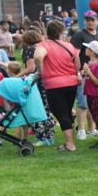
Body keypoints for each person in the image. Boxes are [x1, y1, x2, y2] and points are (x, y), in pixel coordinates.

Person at [34, 20, 81, 151]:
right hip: (71, 83)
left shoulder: (43, 45)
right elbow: (77, 64)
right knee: (67, 112)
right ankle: (70, 140)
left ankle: (70, 145)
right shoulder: (69, 46)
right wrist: (75, 73)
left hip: (54, 84)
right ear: (60, 32)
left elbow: (38, 57)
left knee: (60, 114)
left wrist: (40, 72)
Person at [71, 11, 98, 139]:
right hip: (83, 73)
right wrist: (77, 72)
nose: (90, 22)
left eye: (92, 20)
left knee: (94, 102)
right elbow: (74, 56)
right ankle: (81, 130)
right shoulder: (79, 36)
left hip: (97, 73)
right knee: (83, 103)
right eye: (87, 20)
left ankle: (92, 129)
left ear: (97, 21)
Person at [81, 40, 98, 149]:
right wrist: (85, 72)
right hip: (90, 93)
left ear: (92, 52)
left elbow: (97, 81)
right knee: (94, 115)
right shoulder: (91, 63)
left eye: (88, 48)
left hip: (95, 94)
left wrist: (87, 71)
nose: (86, 50)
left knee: (97, 116)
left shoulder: (97, 65)